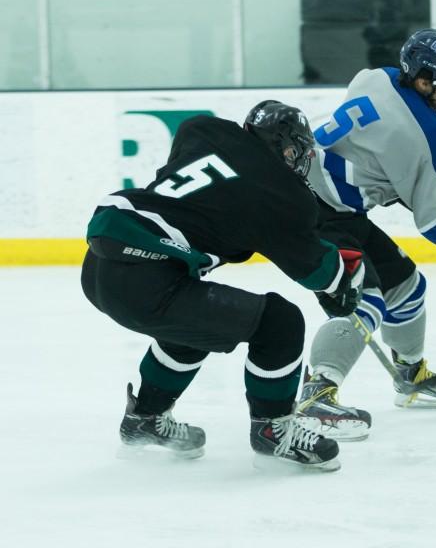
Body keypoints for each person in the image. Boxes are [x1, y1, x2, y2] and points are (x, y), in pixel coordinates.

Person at [80, 100, 366, 470]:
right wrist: (343, 286)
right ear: (285, 147)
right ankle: (273, 430)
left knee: (190, 332)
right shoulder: (278, 190)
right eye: (297, 150)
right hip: (145, 282)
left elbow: (207, 175)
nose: (299, 160)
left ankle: (145, 419)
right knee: (280, 323)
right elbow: (319, 273)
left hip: (100, 267)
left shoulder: (204, 132)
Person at [295, 28, 436, 439]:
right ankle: (314, 394)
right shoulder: (429, 135)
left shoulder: (376, 77)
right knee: (364, 297)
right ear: (422, 79)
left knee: (406, 286)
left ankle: (409, 375)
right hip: (314, 211)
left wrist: (395, 183)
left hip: (329, 202)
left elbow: (377, 149)